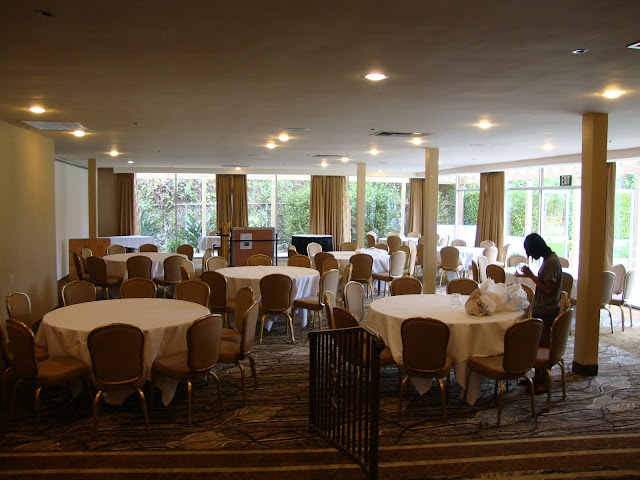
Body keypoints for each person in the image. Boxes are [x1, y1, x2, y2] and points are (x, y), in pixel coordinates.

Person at [515, 233, 563, 392]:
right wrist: (527, 275)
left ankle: (543, 382)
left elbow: (548, 289)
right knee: (539, 345)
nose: (530, 255)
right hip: (544, 308)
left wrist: (530, 275)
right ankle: (537, 378)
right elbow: (544, 282)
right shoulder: (549, 259)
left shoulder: (551, 262)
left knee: (543, 347)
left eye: (530, 252)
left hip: (546, 310)